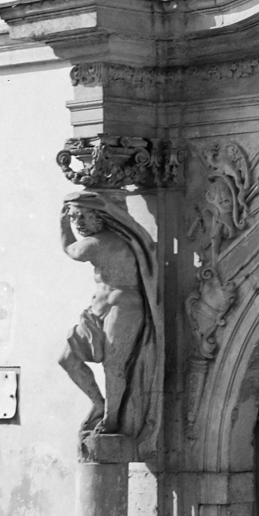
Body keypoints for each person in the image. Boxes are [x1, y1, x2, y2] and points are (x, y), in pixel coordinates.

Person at [59, 194, 161, 459]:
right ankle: (98, 403)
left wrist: (62, 224)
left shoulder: (99, 242)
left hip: (123, 307)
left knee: (114, 365)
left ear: (100, 216)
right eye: (74, 217)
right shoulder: (102, 240)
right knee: (67, 358)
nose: (79, 223)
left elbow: (71, 250)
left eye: (84, 216)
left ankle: (112, 418)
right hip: (97, 310)